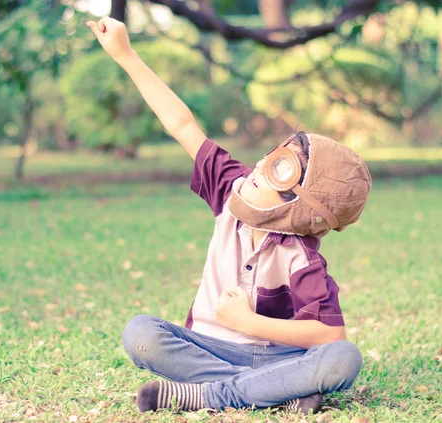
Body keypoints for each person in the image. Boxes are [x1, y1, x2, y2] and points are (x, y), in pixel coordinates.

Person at [86, 17, 372, 415]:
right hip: (209, 347)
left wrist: (249, 323)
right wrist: (126, 55)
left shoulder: (301, 257)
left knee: (344, 358)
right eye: (270, 155)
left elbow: (330, 334)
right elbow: (182, 124)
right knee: (140, 332)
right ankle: (274, 394)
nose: (257, 165)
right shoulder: (229, 192)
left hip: (278, 356)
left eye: (279, 169)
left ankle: (212, 396)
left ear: (302, 205)